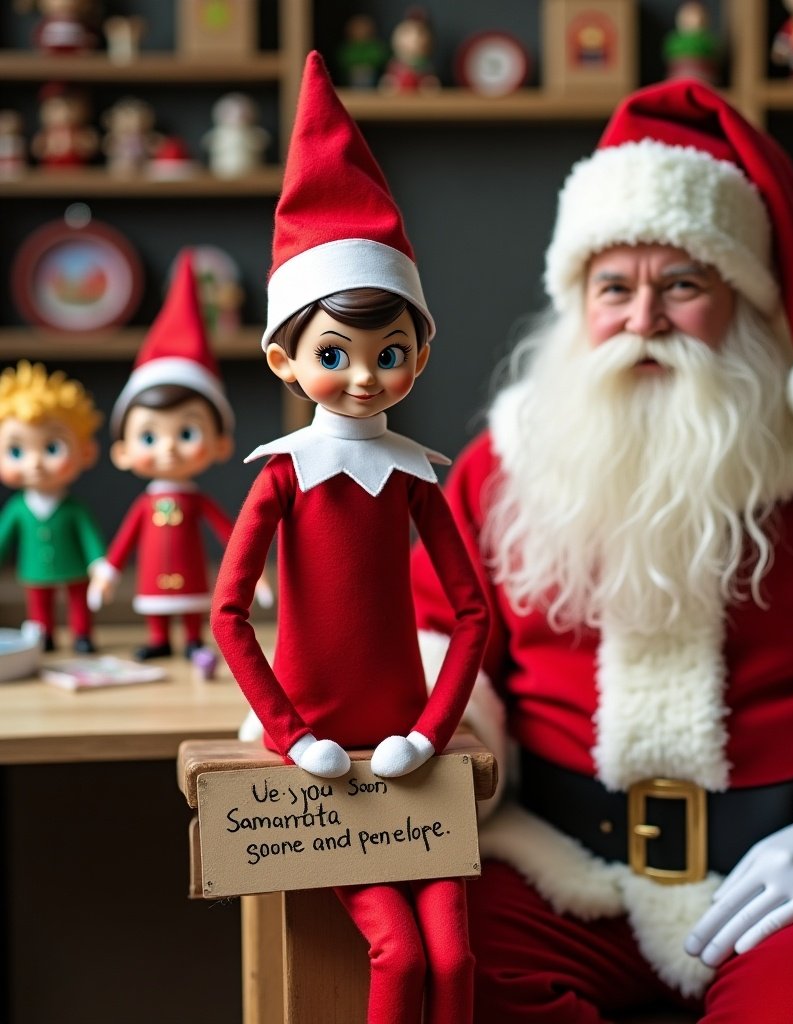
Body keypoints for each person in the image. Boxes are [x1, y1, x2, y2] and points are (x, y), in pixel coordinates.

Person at [410, 79, 793, 1023]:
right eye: (614, 288)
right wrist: (434, 734)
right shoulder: (507, 462)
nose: (644, 320)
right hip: (555, 862)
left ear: (747, 302)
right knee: (435, 977)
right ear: (579, 305)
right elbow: (435, 641)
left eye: (683, 285)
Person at [211, 52, 489, 1024]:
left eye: (389, 353)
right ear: (285, 357)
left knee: (454, 962)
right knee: (398, 956)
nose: (365, 377)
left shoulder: (416, 476)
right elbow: (228, 611)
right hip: (322, 763)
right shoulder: (282, 474)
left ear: (420, 355)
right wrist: (292, 733)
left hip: (411, 758)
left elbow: (471, 612)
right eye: (335, 354)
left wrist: (432, 729)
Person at [88, 251, 256, 661]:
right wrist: (108, 569)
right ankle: (160, 638)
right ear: (123, 451)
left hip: (194, 579)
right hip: (150, 580)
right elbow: (125, 540)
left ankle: (193, 638)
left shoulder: (197, 502)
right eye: (149, 436)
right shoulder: (146, 504)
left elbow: (230, 535)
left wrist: (253, 574)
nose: (167, 448)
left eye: (185, 432)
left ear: (220, 444)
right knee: (157, 606)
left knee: (192, 602)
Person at [0, 360, 105, 652]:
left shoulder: (74, 509)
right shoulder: (18, 509)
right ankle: (43, 634)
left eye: (51, 448)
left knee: (78, 599)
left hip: (75, 569)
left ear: (85, 451)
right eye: (17, 450)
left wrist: (98, 563)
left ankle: (82, 633)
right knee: (38, 601)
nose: (34, 463)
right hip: (34, 571)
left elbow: (90, 538)